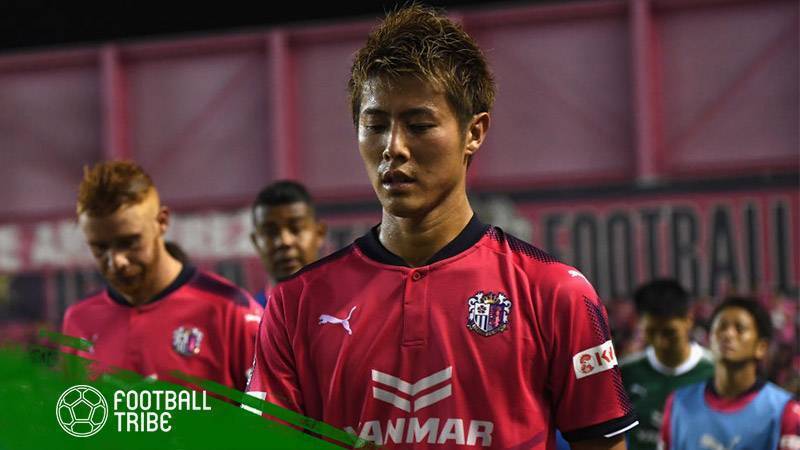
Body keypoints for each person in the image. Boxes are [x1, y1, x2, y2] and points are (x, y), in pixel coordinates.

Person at [246, 5, 637, 449]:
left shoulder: (555, 293)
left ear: (475, 132)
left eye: (419, 125)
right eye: (375, 125)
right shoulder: (295, 305)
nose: (393, 147)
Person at [61, 160, 263, 391]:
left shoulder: (231, 311)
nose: (116, 261)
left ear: (162, 221)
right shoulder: (79, 321)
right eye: (100, 248)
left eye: (129, 242)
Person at [659, 297, 800, 450]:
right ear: (710, 339)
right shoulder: (678, 403)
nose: (728, 335)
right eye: (721, 328)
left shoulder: (785, 410)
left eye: (740, 329)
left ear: (761, 347)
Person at [620, 279, 714, 450]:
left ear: (689, 320)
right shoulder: (624, 373)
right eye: (651, 332)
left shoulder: (715, 371)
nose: (660, 342)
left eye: (669, 332)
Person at [249, 180, 327, 307]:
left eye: (296, 228)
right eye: (270, 232)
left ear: (319, 233)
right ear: (256, 241)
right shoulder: (250, 315)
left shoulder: (347, 307)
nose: (284, 241)